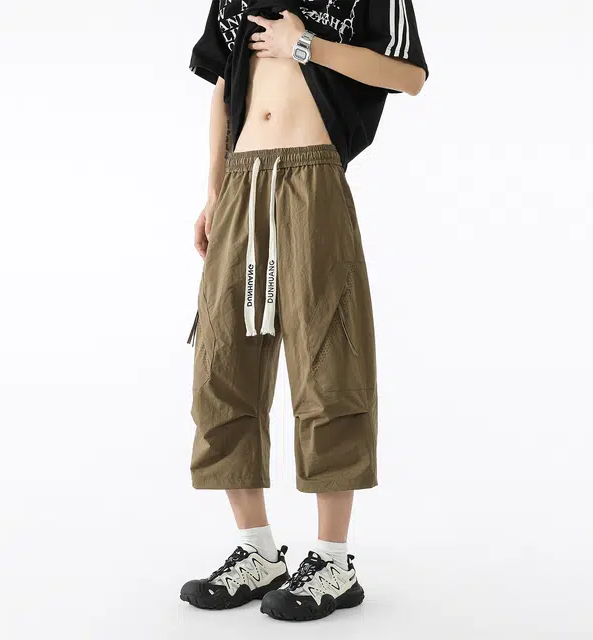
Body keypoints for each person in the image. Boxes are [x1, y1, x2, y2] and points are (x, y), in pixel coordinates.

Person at [181, 0, 428, 622]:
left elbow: (409, 75)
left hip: (314, 176)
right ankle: (257, 549)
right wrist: (214, 191)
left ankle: (334, 561)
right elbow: (223, 88)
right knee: (221, 364)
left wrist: (306, 46)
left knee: (328, 361)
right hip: (242, 179)